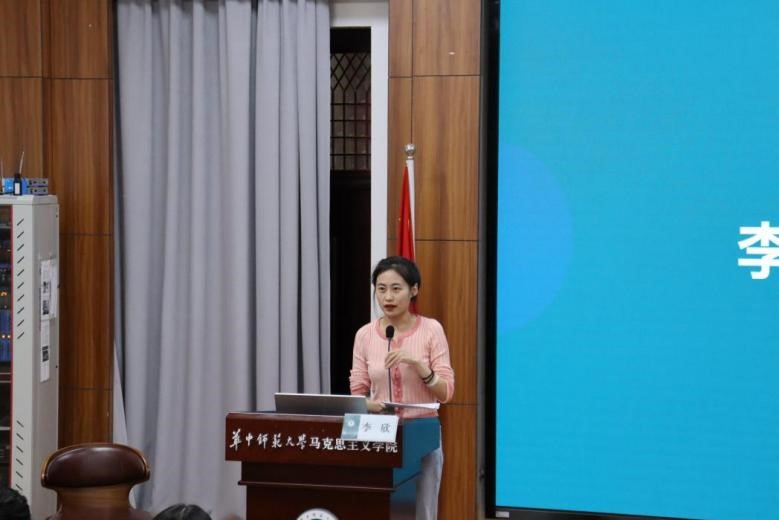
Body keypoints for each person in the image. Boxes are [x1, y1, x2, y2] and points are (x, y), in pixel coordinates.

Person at [350, 256, 455, 520]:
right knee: (379, 509)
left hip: (422, 433)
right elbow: (357, 392)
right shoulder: (364, 335)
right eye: (381, 289)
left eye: (396, 288)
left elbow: (446, 393)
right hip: (378, 433)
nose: (388, 297)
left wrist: (418, 364)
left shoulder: (431, 330)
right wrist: (369, 405)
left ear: (414, 290)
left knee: (422, 511)